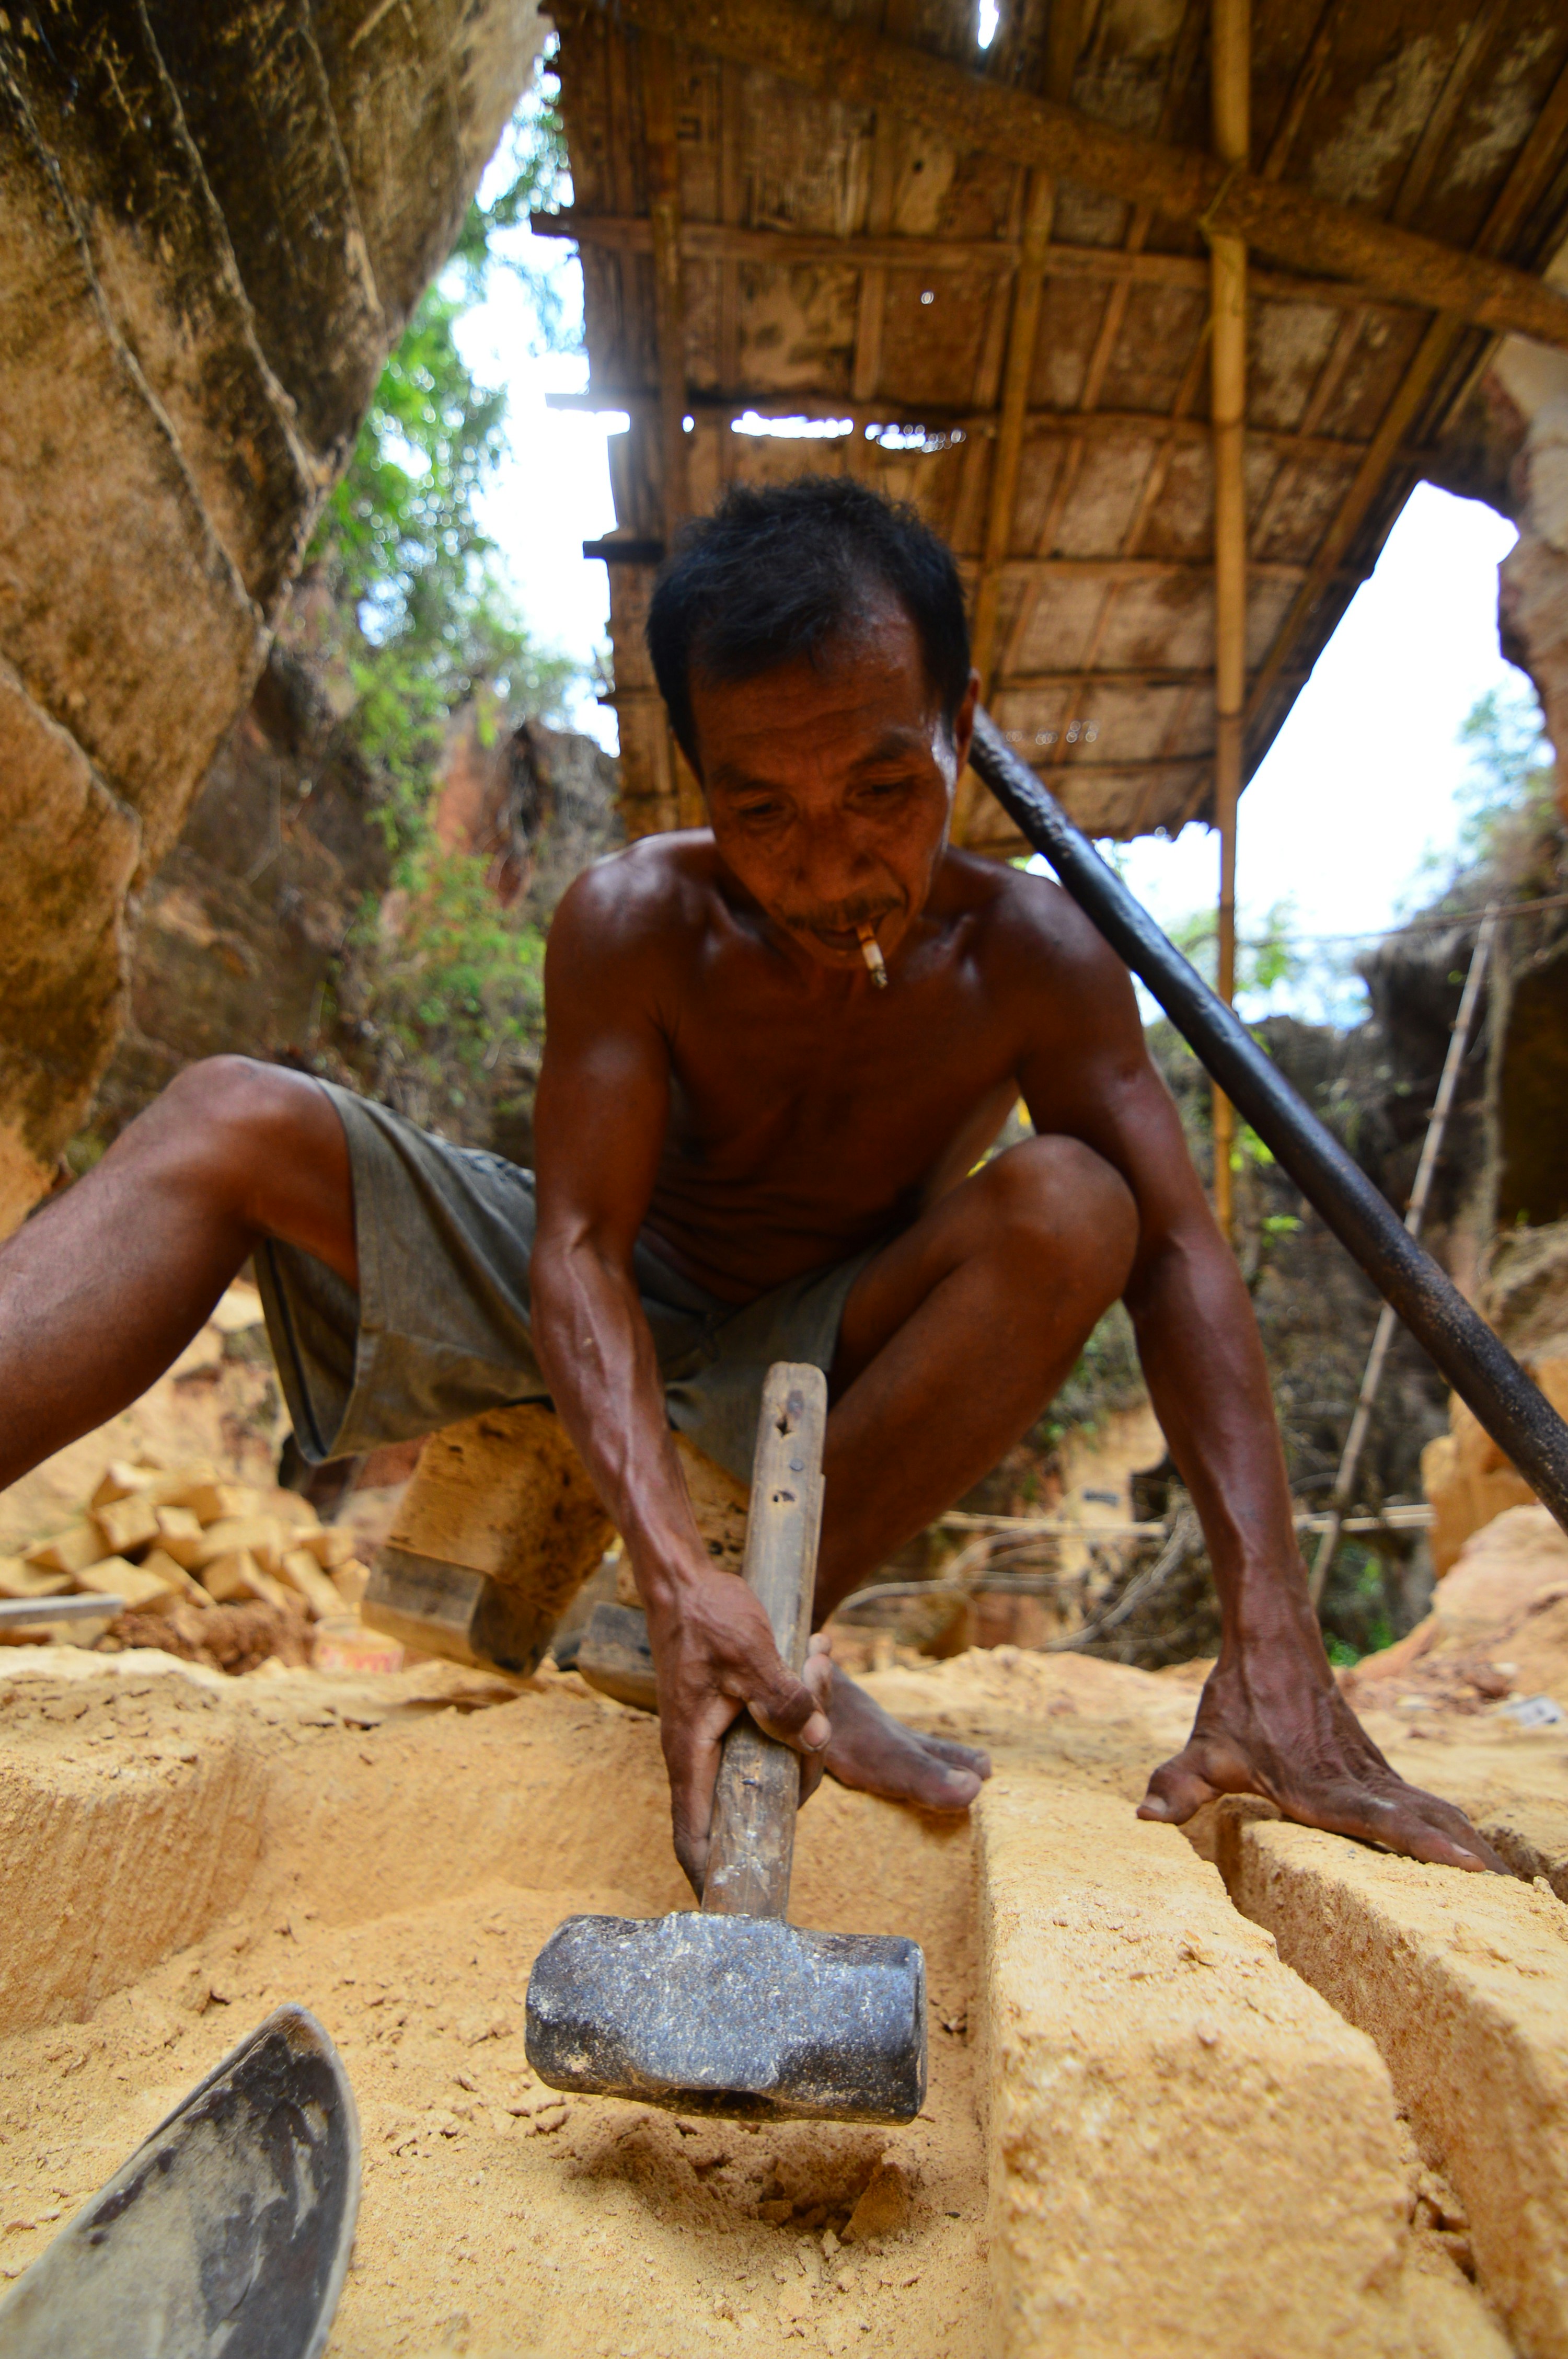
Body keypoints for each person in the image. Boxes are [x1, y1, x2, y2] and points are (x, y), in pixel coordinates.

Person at [0, 475, 1501, 1890]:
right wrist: (668, 1566)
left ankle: (767, 1625)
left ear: (960, 726)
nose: (828, 868)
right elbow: (577, 1250)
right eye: (762, 810)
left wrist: (1273, 1635)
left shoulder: (1035, 960)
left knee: (1078, 1203)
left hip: (822, 1343)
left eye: (882, 789)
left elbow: (1175, 1255)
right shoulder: (636, 921)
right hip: (598, 1281)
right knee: (227, 1115)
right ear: (696, 779)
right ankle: (693, 1610)